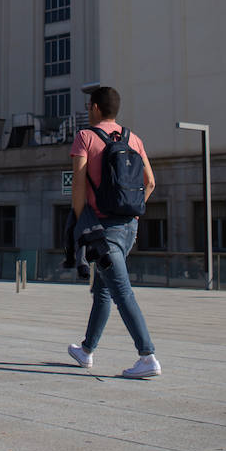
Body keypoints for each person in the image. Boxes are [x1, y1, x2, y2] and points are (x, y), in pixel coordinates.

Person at [66, 85, 161, 378]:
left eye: (88, 105)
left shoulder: (85, 137)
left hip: (101, 229)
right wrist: (132, 213)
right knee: (104, 288)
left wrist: (84, 223)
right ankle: (86, 350)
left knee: (121, 291)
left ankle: (147, 356)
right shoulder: (135, 139)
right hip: (128, 228)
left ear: (94, 107)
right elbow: (151, 182)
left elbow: (78, 187)